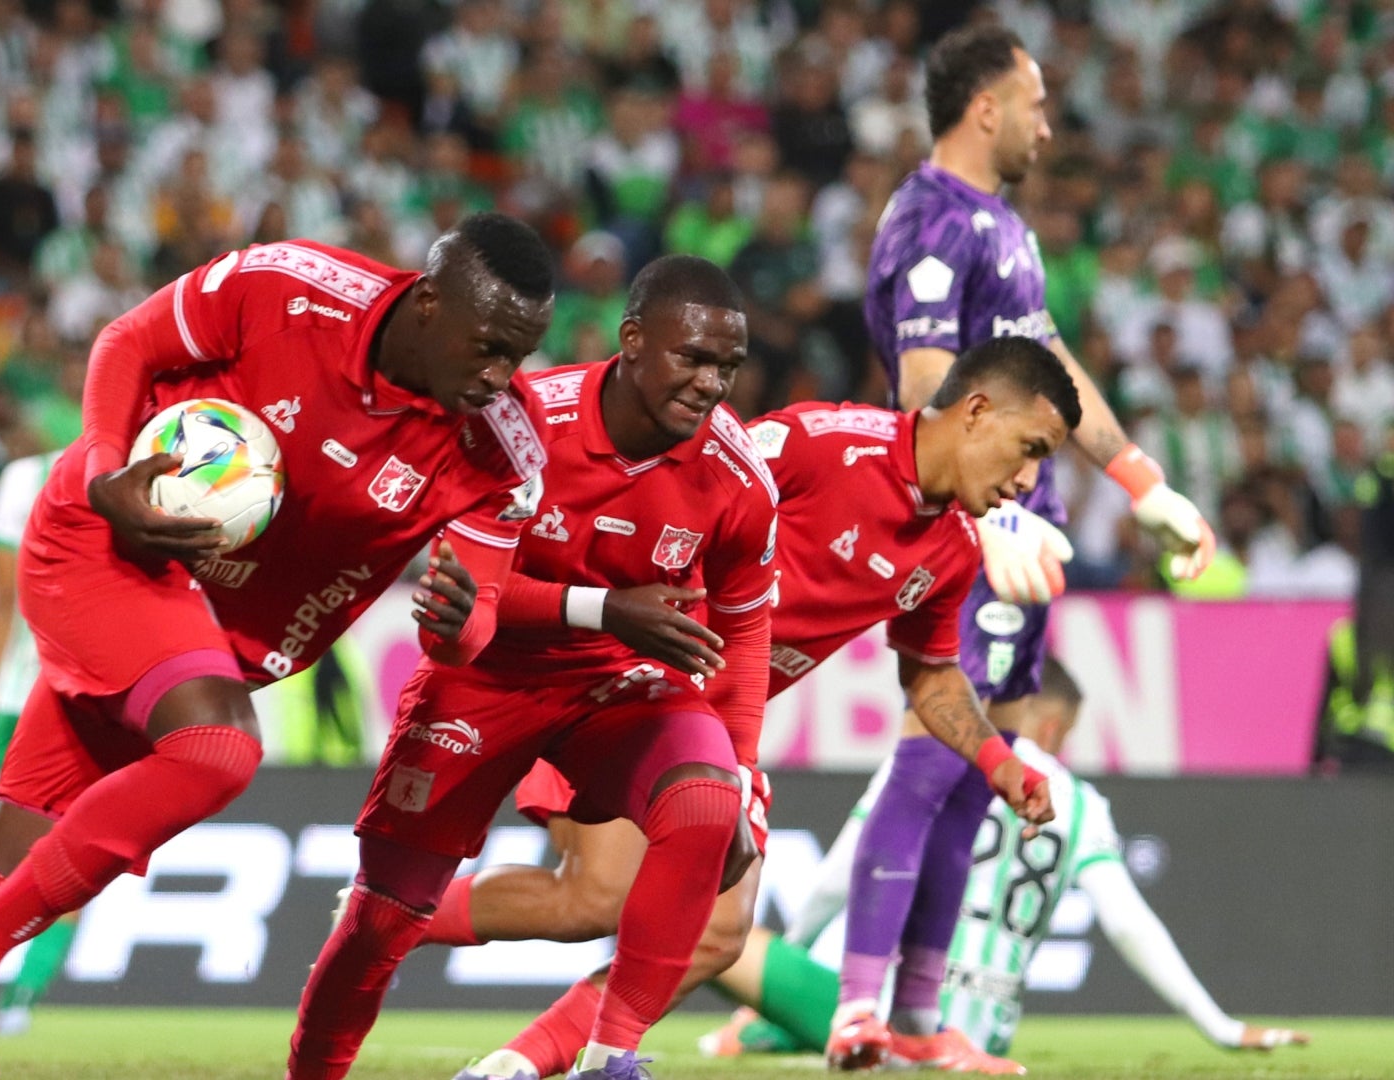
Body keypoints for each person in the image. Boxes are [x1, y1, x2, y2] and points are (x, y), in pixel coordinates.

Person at [0, 213, 557, 1080]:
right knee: (219, 749)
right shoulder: (290, 286)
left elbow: (474, 617)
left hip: (208, 633)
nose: (501, 374)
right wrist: (101, 469)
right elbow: (129, 342)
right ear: (430, 302)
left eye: (519, 354)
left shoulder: (504, 449)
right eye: (488, 346)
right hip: (106, 541)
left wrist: (458, 622)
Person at [432, 335, 1074, 1080]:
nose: (1029, 480)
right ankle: (389, 912)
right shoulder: (822, 444)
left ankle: (516, 1063)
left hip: (720, 723)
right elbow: (683, 480)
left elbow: (930, 675)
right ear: (977, 411)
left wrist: (997, 762)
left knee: (714, 934)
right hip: (628, 679)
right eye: (1029, 448)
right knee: (595, 899)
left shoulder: (954, 549)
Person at [288, 256, 779, 1080]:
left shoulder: (738, 478)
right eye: (691, 357)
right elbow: (467, 592)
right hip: (487, 675)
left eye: (727, 366)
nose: (711, 384)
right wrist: (603, 608)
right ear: (632, 341)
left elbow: (746, 633)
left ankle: (609, 1058)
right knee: (383, 918)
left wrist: (745, 772)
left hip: (620, 683)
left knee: (705, 798)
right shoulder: (522, 426)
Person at [847, 23, 1215, 1070]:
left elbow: (1049, 367)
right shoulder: (928, 220)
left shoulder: (1004, 227)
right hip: (974, 535)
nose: (1050, 124)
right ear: (986, 108)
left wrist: (1144, 482)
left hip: (1025, 529)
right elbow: (924, 390)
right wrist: (988, 513)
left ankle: (917, 1027)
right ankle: (859, 1012)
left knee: (981, 776)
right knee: (930, 763)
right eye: (1037, 102)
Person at [698, 659, 1312, 1061]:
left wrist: (782, 969)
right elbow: (1130, 923)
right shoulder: (1083, 805)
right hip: (984, 1033)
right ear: (1047, 726)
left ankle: (759, 1029)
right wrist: (1221, 1027)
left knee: (710, 928)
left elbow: (835, 883)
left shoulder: (927, 758)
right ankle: (765, 1036)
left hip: (891, 1018)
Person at [0, 448, 74, 1036]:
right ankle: (2, 992)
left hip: (31, 694)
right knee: (73, 856)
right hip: (74, 696)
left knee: (0, 852)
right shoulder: (153, 463)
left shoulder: (27, 476)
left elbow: (5, 598)